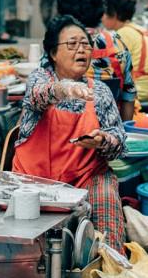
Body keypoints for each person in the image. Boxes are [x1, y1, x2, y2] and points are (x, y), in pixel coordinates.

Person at [14, 16, 127, 242]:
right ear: (53, 53)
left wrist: (103, 140)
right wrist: (65, 89)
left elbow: (120, 143)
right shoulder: (39, 79)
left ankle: (111, 268)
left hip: (85, 178)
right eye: (72, 44)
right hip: (33, 180)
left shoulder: (101, 91)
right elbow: (38, 96)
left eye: (85, 44)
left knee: (106, 197)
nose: (81, 50)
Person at [55, 0, 136, 120]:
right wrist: (123, 134)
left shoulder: (57, 45)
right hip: (108, 131)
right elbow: (128, 96)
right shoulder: (117, 43)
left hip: (66, 132)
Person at [102, 0, 148, 102]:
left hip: (139, 93)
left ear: (114, 14)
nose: (102, 17)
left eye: (104, 13)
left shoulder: (122, 34)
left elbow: (110, 69)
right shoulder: (138, 29)